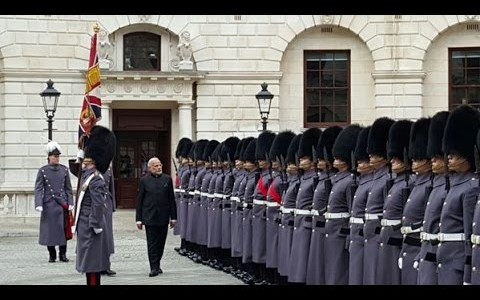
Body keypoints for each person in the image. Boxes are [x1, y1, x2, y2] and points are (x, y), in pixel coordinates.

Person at [74, 125, 116, 285]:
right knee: (88, 264)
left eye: (86, 161)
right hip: (84, 224)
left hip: (91, 224)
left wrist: (96, 223)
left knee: (92, 265)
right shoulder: (87, 175)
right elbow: (77, 172)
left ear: (93, 161)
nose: (84, 164)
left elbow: (98, 204)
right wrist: (81, 152)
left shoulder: (96, 178)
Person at [136, 157, 177, 277]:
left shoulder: (167, 179)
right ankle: (153, 267)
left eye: (160, 165)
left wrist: (173, 217)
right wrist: (139, 219)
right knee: (152, 243)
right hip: (149, 216)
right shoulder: (144, 181)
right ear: (150, 168)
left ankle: (157, 264)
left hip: (163, 216)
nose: (159, 167)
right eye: (156, 166)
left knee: (161, 243)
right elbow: (140, 201)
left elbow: (171, 199)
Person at [35, 141, 74, 263]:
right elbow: (38, 188)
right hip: (48, 205)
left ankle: (63, 254)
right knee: (49, 231)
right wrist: (38, 204)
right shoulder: (43, 171)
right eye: (54, 156)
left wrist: (70, 202)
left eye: (58, 156)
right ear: (49, 157)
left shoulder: (64, 170)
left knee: (63, 230)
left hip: (62, 204)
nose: (57, 158)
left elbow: (68, 188)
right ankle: (52, 254)